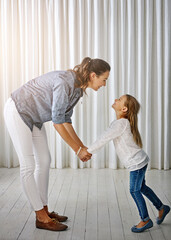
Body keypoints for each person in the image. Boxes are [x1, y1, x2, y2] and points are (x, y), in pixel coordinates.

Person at [4, 57, 110, 231]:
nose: (104, 84)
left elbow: (66, 120)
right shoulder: (64, 82)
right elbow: (57, 122)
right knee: (28, 166)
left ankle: (44, 209)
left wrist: (82, 147)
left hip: (35, 116)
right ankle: (40, 217)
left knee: (44, 161)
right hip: (18, 110)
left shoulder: (78, 89)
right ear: (93, 75)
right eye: (104, 79)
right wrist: (77, 151)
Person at [87, 94, 170, 233]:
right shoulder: (120, 123)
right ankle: (162, 208)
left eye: (119, 100)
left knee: (134, 190)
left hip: (137, 163)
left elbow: (103, 138)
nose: (115, 100)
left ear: (124, 108)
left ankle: (145, 219)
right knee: (142, 187)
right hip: (140, 161)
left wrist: (88, 151)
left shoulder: (121, 123)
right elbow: (105, 137)